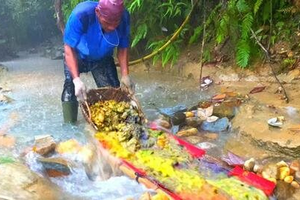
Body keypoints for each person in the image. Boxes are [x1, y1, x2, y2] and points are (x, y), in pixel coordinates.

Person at [61, 0, 134, 123]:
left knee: (113, 94)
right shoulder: (81, 15)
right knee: (71, 88)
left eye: (115, 23)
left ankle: (115, 123)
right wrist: (76, 80)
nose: (112, 27)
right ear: (97, 12)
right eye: (107, 23)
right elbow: (68, 48)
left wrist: (125, 74)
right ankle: (70, 125)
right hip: (77, 56)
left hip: (102, 59)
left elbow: (123, 47)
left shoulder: (124, 17)